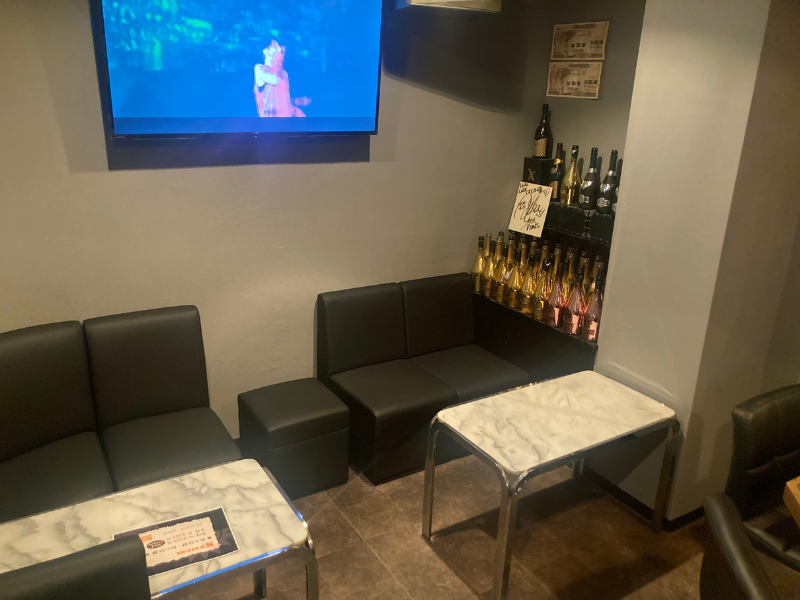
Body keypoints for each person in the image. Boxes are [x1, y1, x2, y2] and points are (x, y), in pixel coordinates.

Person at [254, 40, 310, 117]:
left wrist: (295, 104)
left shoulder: (283, 74)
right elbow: (275, 80)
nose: (280, 48)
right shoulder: (260, 69)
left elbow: (282, 101)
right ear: (266, 51)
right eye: (275, 46)